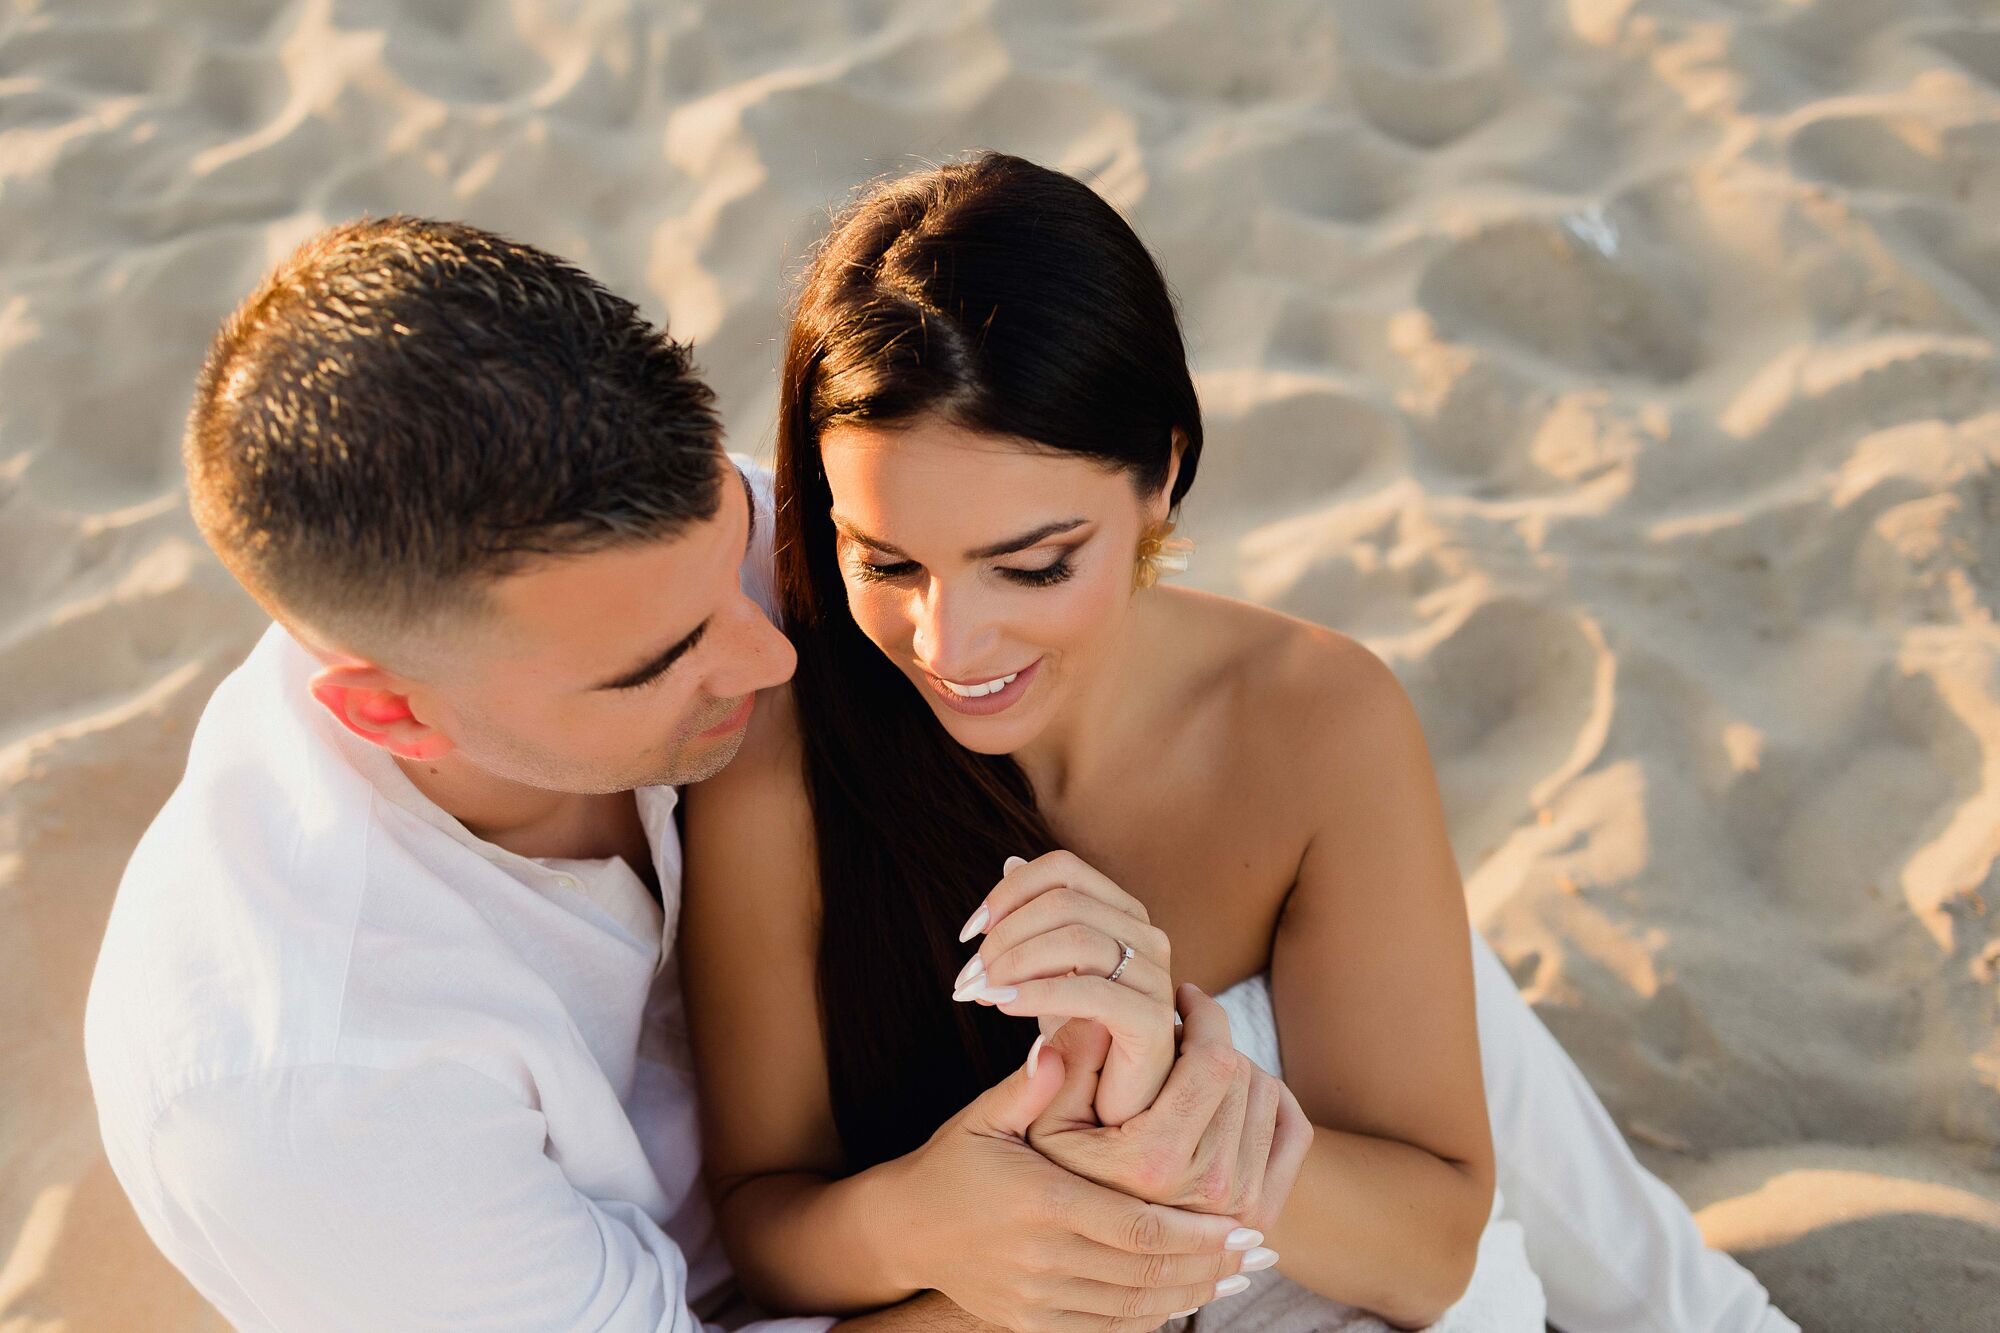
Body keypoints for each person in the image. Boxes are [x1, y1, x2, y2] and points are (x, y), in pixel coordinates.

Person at [83, 217, 1302, 1333]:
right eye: (658, 663)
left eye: (732, 544)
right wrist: (1028, 1255)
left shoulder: (628, 563)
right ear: (390, 714)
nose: (770, 649)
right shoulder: (320, 1093)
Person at [679, 154, 1801, 1332]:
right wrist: (933, 1219)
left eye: (1033, 564)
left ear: (1162, 474)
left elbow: (1428, 1257)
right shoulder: (782, 760)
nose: (947, 640)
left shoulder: (1312, 724)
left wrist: (1177, 1095)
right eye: (886, 561)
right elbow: (766, 1228)